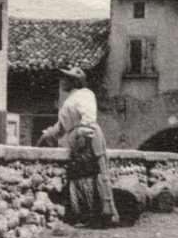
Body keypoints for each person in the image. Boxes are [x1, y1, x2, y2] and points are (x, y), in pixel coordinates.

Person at [39, 66, 119, 227]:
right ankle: (85, 214)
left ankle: (104, 214)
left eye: (66, 78)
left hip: (87, 139)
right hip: (76, 140)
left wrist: (82, 137)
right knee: (79, 176)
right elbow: (62, 126)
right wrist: (47, 135)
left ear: (74, 81)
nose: (62, 81)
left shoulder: (85, 94)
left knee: (93, 174)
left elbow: (88, 118)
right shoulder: (69, 100)